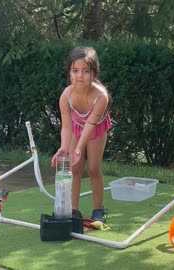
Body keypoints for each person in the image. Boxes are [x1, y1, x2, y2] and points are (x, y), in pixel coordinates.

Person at [51, 46, 112, 222]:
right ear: (69, 72)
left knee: (93, 168)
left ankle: (98, 210)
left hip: (96, 129)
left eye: (86, 71)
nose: (79, 76)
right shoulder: (66, 96)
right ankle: (73, 210)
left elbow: (91, 124)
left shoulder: (101, 97)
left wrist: (78, 148)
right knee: (74, 168)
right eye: (75, 70)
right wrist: (64, 148)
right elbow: (67, 126)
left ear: (94, 73)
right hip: (76, 128)